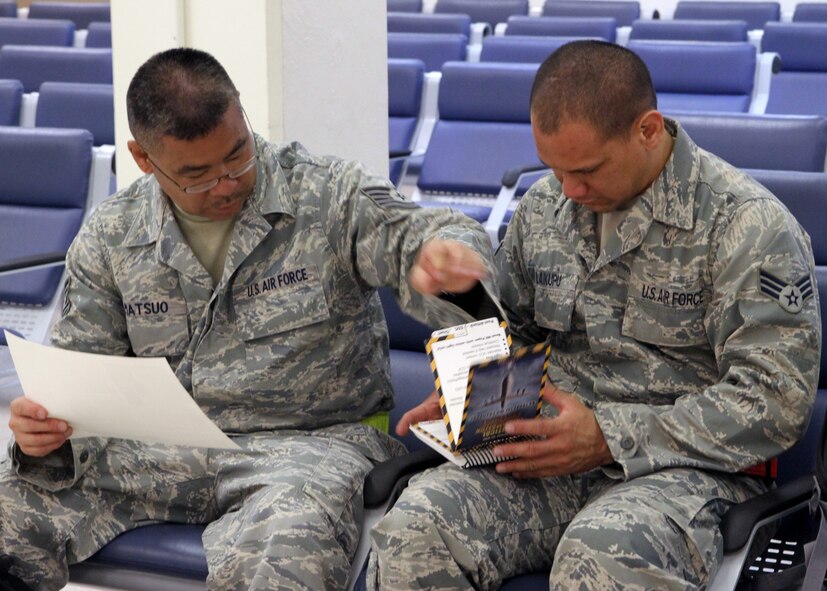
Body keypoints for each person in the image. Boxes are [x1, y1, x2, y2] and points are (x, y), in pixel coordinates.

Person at [0, 47, 496, 591]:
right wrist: (42, 433)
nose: (228, 183)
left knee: (284, 551)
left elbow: (420, 233)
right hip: (155, 453)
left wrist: (447, 257)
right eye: (198, 175)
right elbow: (79, 380)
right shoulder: (112, 234)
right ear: (144, 159)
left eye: (238, 155)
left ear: (240, 114)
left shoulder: (325, 193)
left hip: (309, 448)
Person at [368, 40, 821, 590]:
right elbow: (518, 333)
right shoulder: (546, 207)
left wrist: (608, 436)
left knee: (602, 553)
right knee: (416, 525)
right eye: (554, 169)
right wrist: (477, 391)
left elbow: (775, 401)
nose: (569, 190)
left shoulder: (746, 227)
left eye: (585, 170)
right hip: (550, 458)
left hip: (686, 472)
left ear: (648, 130)